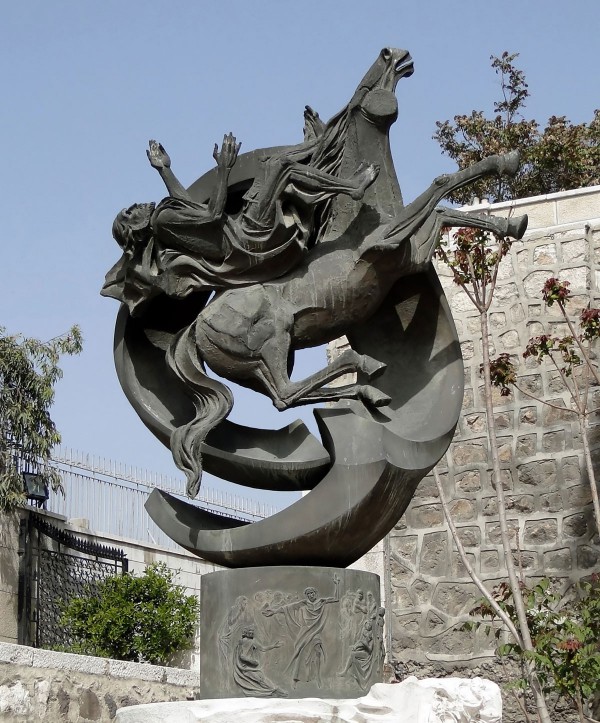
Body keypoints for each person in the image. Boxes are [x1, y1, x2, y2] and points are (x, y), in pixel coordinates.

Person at [102, 134, 378, 315]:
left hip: (242, 235)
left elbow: (189, 205)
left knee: (275, 166)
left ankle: (318, 148)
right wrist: (224, 168)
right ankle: (350, 185)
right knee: (282, 168)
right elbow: (212, 214)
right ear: (135, 228)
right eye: (129, 213)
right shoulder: (162, 221)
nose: (135, 206)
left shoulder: (165, 219)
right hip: (246, 236)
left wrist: (164, 169)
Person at [262, 575, 340, 688]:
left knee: (317, 651)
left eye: (312, 593)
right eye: (308, 594)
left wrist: (337, 584)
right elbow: (287, 607)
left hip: (315, 631)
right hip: (304, 631)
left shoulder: (321, 601)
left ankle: (318, 677)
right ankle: (295, 679)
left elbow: (336, 598)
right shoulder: (304, 603)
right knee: (300, 654)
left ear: (315, 593)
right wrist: (273, 611)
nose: (310, 596)